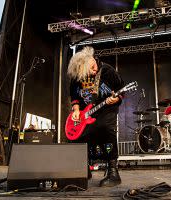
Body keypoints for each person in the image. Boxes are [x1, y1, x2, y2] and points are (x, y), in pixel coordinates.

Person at [67, 46, 124, 187]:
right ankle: (83, 169)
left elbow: (121, 89)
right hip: (86, 112)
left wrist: (116, 99)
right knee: (77, 136)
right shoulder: (79, 73)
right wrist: (76, 109)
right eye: (89, 70)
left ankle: (113, 172)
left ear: (93, 60)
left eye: (93, 67)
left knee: (106, 129)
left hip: (106, 109)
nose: (93, 70)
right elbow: (74, 93)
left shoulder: (108, 71)